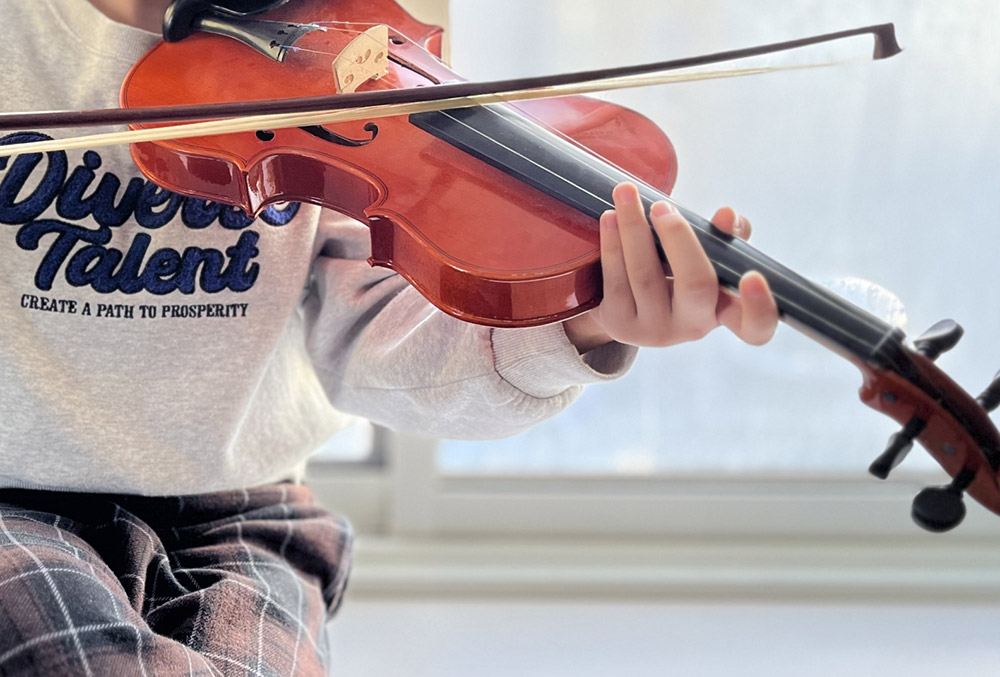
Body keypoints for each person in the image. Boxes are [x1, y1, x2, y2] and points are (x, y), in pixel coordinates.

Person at [0, 0, 778, 674]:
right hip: (15, 507)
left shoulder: (337, 50)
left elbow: (375, 339)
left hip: (239, 518)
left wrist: (584, 318)